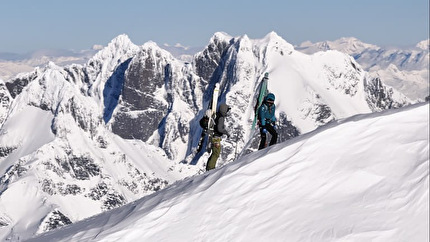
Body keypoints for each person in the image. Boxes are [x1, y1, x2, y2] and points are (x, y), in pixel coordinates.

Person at [206, 103, 230, 171]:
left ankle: (209, 167)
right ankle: (210, 168)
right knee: (216, 153)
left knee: (214, 153)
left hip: (213, 137)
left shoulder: (217, 115)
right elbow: (220, 129)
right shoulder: (221, 117)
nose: (227, 111)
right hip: (216, 138)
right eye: (227, 110)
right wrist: (226, 133)